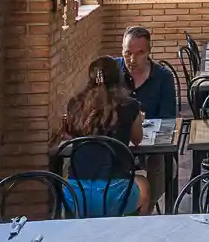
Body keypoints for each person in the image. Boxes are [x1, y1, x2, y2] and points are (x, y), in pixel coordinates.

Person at [57, 58, 149, 215]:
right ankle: (131, 228)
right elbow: (137, 139)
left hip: (77, 194)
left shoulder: (74, 104)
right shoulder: (129, 105)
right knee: (144, 184)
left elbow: (69, 134)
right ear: (118, 77)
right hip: (115, 193)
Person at [115, 25, 178, 119]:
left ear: (149, 51)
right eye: (128, 53)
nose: (132, 60)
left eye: (139, 53)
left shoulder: (164, 77)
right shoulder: (111, 70)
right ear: (122, 50)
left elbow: (167, 118)